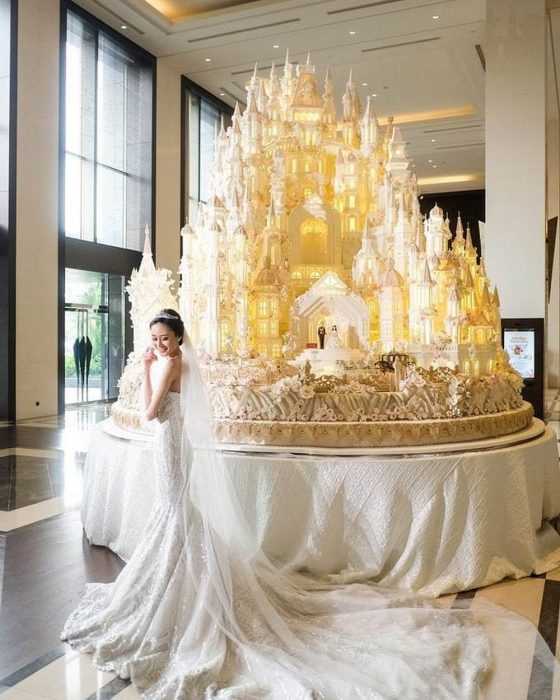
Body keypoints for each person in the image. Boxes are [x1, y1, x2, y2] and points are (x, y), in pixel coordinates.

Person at [62, 309, 556, 699]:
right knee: (177, 513)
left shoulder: (169, 364)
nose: (158, 346)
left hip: (170, 446)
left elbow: (150, 413)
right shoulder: (183, 363)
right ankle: (181, 582)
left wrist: (149, 368)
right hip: (177, 448)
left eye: (164, 339)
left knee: (173, 511)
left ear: (178, 341)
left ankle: (175, 590)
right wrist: (154, 363)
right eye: (153, 339)